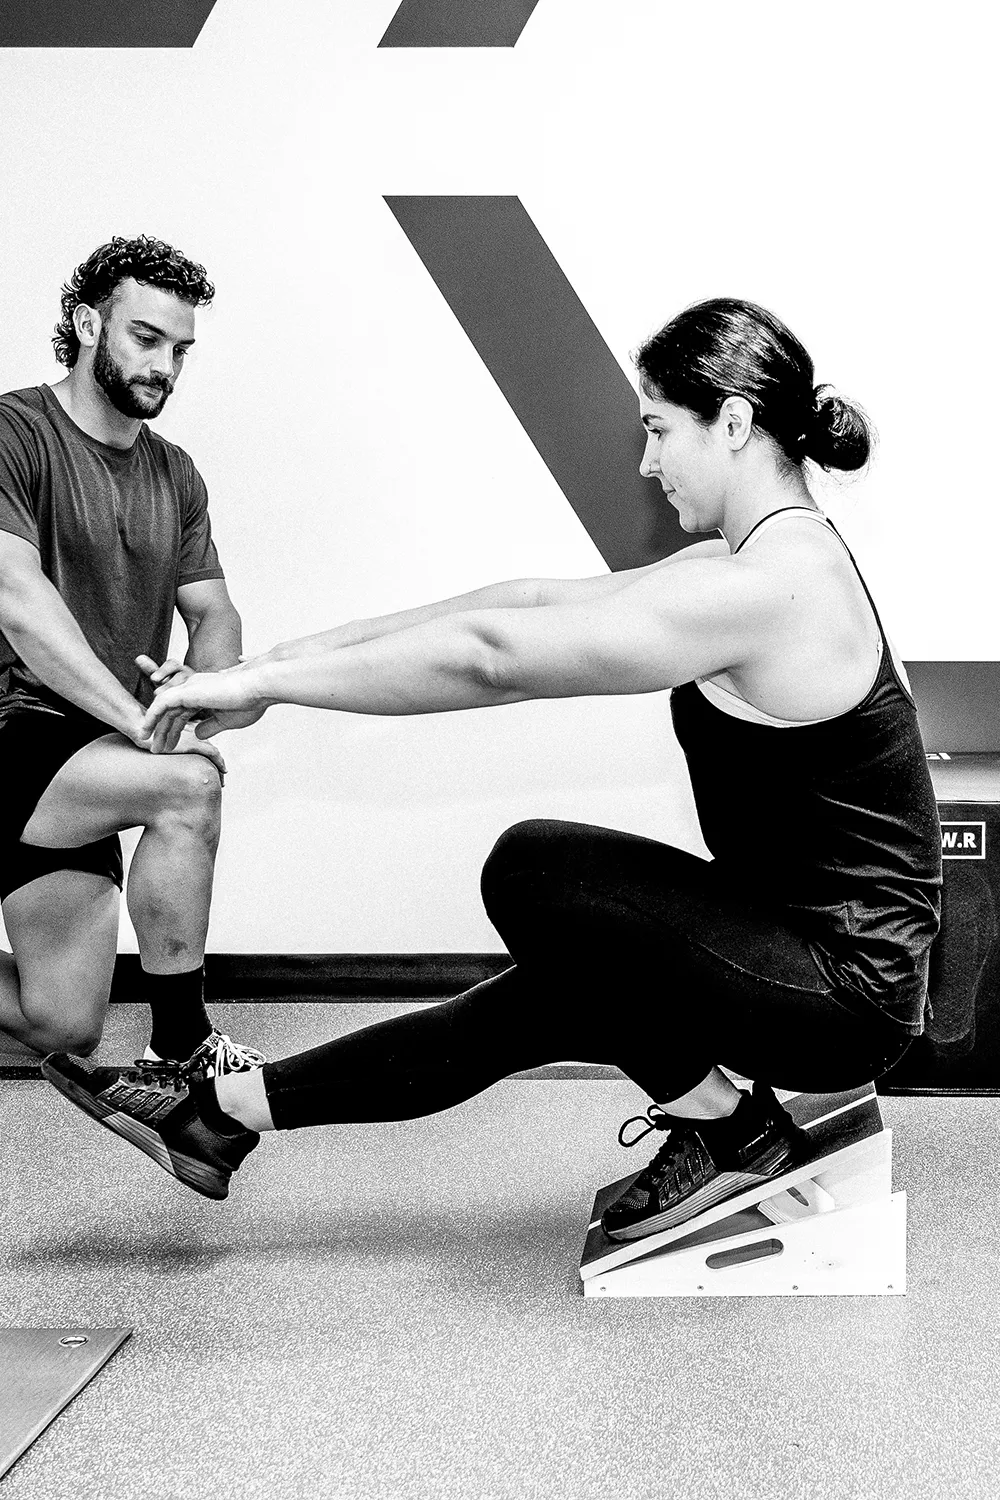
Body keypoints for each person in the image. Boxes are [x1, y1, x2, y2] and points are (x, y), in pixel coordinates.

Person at [43, 298, 941, 1241]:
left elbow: (493, 660)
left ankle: (732, 1126)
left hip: (841, 992)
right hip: (793, 950)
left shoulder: (765, 587)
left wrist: (274, 682)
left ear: (731, 423)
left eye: (657, 429)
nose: (647, 462)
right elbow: (520, 602)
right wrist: (256, 674)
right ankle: (217, 1118)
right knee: (533, 1005)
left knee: (537, 870)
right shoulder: (750, 560)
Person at [0, 235, 263, 1080]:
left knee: (63, 1023)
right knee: (191, 784)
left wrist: (205, 687)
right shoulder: (14, 432)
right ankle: (181, 1048)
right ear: (86, 323)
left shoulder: (174, 473)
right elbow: (18, 599)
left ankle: (156, 1042)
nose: (167, 368)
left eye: (180, 349)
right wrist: (148, 726)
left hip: (94, 753)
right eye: (146, 339)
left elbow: (212, 608)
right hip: (19, 729)